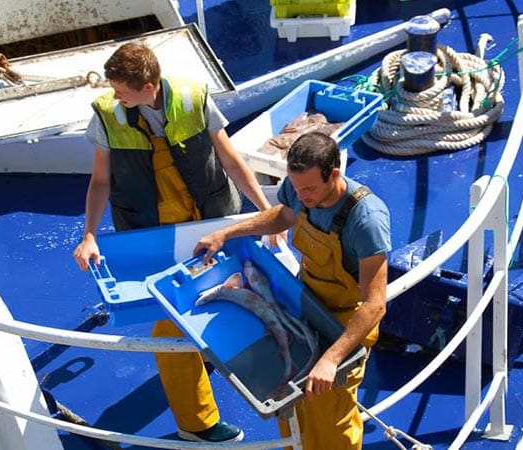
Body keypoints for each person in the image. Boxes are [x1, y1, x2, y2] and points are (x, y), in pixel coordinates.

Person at [73, 41, 275, 443]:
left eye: (123, 91)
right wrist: (89, 234)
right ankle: (196, 424)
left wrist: (264, 213)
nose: (116, 98)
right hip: (156, 239)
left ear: (148, 87)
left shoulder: (194, 98)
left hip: (209, 227)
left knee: (228, 297)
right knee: (170, 335)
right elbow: (100, 181)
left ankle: (209, 354)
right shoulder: (107, 115)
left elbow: (231, 159)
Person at [193, 131, 391, 449]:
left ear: (335, 175)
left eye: (310, 189)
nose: (302, 196)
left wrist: (331, 359)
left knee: (331, 421)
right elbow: (284, 215)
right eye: (297, 188)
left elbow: (375, 303)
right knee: (292, 407)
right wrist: (225, 234)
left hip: (344, 321)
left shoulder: (366, 220)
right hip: (306, 304)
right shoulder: (301, 190)